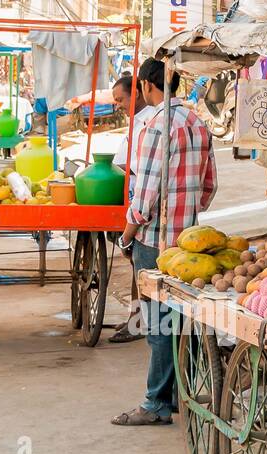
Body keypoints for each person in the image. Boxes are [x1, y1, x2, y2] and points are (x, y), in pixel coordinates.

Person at [112, 58, 217, 425]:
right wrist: (187, 216)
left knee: (157, 325)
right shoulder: (198, 124)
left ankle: (156, 403)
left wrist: (128, 233)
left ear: (145, 85)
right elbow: (209, 187)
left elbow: (146, 193)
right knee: (179, 321)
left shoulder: (157, 125)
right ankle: (177, 396)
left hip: (155, 243)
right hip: (190, 245)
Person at [108, 72, 157, 344]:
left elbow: (142, 169)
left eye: (121, 99)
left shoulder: (150, 122)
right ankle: (135, 319)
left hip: (144, 202)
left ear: (137, 92)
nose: (118, 105)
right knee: (136, 265)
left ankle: (139, 323)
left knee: (142, 267)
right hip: (135, 199)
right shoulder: (135, 122)